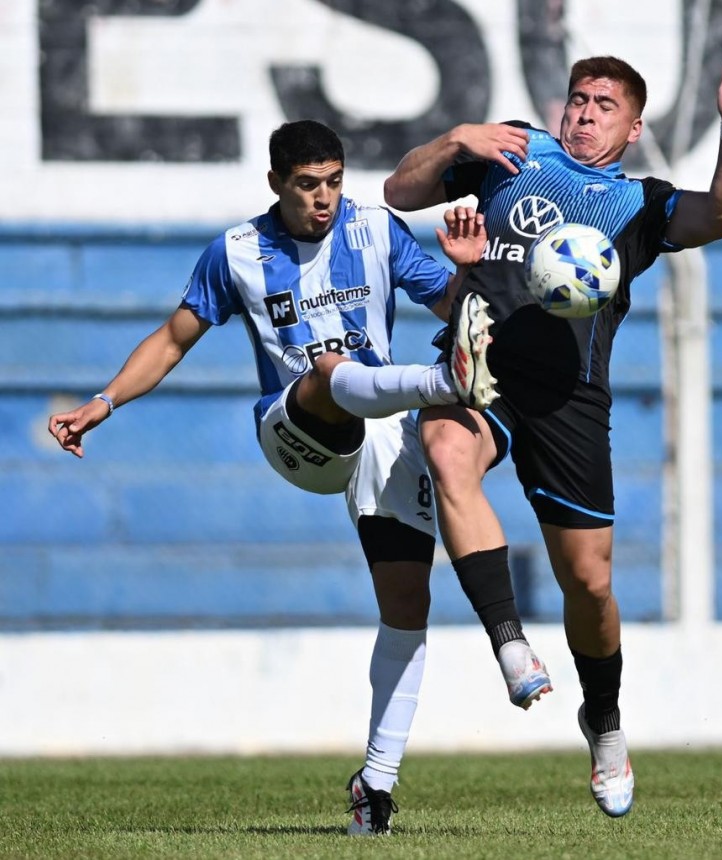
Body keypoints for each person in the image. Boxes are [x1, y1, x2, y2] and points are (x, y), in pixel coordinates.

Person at [46, 119, 549, 837]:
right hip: (295, 431)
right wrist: (103, 402)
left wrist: (467, 271)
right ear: (276, 183)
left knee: (406, 603)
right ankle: (441, 383)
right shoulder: (237, 252)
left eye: (334, 182)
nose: (324, 198)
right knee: (326, 368)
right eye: (308, 185)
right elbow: (173, 339)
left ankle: (375, 783)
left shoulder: (375, 230)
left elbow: (455, 310)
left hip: (381, 429)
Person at [384, 56, 722, 818]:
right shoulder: (514, 151)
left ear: (634, 127)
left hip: (570, 399)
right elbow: (400, 191)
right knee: (447, 451)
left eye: (604, 105)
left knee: (589, 585)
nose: (585, 113)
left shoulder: (638, 204)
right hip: (482, 363)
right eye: (578, 100)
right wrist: (457, 140)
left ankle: (605, 722)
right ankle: (509, 642)